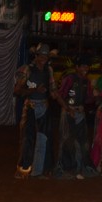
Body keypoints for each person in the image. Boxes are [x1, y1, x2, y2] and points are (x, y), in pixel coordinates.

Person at [14, 43, 65, 179]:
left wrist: (65, 106)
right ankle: (24, 170)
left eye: (45, 56)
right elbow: (17, 90)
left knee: (44, 139)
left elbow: (53, 91)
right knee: (27, 139)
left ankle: (39, 170)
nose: (43, 58)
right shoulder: (27, 70)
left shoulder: (48, 70)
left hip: (44, 106)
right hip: (30, 106)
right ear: (36, 56)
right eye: (41, 55)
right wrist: (34, 90)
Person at [55, 55, 96, 180]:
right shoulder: (70, 79)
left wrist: (95, 95)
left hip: (79, 112)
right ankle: (63, 169)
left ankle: (79, 168)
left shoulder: (86, 81)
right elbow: (59, 95)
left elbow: (89, 99)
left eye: (87, 66)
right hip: (69, 112)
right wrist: (68, 109)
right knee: (67, 140)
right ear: (77, 67)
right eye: (83, 66)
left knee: (82, 142)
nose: (85, 68)